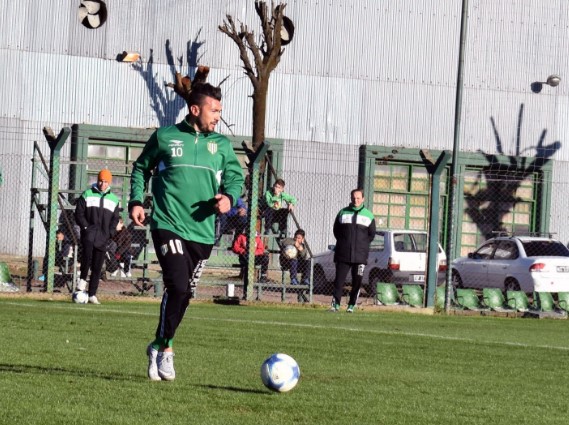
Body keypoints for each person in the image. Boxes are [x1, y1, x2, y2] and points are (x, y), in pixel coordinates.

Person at [129, 83, 244, 382]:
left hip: (203, 232)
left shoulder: (221, 145)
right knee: (178, 286)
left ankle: (160, 345)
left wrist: (229, 197)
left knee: (185, 294)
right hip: (168, 224)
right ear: (195, 109)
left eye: (220, 110)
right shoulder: (165, 137)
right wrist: (136, 200)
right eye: (214, 110)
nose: (218, 116)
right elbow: (141, 167)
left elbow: (234, 177)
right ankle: (165, 349)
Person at [74, 169, 120, 304]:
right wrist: (86, 228)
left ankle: (92, 294)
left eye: (105, 182)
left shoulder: (114, 199)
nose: (102, 184)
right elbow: (79, 214)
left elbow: (115, 219)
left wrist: (109, 233)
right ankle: (82, 283)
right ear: (97, 180)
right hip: (89, 235)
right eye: (100, 181)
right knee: (86, 260)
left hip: (103, 237)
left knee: (97, 266)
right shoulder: (87, 194)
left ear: (109, 183)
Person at [330, 189, 376, 313]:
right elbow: (336, 231)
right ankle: (335, 305)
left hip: (360, 256)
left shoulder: (369, 215)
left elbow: (371, 235)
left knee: (357, 282)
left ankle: (351, 305)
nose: (356, 200)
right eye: (354, 198)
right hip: (343, 255)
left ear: (363, 199)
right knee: (339, 281)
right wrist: (344, 243)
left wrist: (362, 246)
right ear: (351, 198)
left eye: (358, 198)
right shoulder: (342, 213)